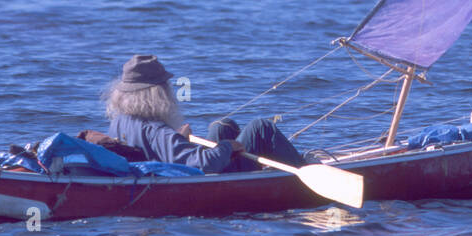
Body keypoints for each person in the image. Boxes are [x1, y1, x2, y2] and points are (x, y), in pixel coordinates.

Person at [90, 54, 308, 174]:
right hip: (207, 175)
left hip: (168, 166)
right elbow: (202, 165)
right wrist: (227, 147)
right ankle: (302, 169)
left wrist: (178, 140)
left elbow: (158, 149)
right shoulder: (157, 132)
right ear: (156, 93)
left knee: (223, 126)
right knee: (261, 127)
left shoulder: (120, 121)